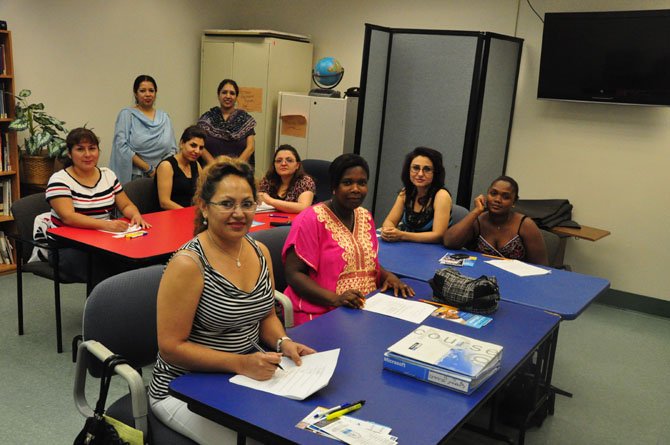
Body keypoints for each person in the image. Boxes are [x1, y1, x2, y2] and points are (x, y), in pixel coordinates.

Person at [149, 157, 315, 444]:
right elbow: (171, 347)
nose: (239, 213)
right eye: (226, 204)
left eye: (247, 204)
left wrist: (282, 342)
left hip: (240, 379)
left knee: (297, 430)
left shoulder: (260, 251)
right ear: (203, 206)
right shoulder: (188, 264)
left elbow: (266, 316)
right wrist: (241, 364)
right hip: (183, 389)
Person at [282, 153, 414, 326]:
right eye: (347, 183)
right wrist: (335, 299)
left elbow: (364, 261)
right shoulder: (310, 219)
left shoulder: (365, 216)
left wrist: (387, 276)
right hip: (322, 311)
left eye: (362, 183)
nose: (355, 189)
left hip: (363, 308)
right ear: (334, 187)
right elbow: (293, 274)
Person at [46, 127, 151, 282]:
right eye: (80, 149)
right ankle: (102, 305)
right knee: (105, 271)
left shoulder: (108, 175)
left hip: (102, 241)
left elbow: (126, 205)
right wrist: (105, 225)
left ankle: (123, 304)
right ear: (69, 153)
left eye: (92, 148)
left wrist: (135, 215)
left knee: (136, 262)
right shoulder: (59, 180)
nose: (87, 154)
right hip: (68, 247)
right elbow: (68, 217)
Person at [443, 175, 548, 266]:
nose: (497, 200)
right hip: (481, 278)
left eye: (505, 197)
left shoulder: (525, 225)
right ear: (486, 195)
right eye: (493, 193)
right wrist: (476, 212)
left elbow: (542, 266)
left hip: (516, 282)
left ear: (514, 202)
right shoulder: (478, 221)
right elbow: (449, 242)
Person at [109, 75, 178, 184]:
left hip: (160, 176)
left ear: (156, 93)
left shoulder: (164, 118)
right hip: (134, 177)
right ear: (135, 93)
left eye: (151, 90)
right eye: (142, 91)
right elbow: (121, 147)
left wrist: (160, 170)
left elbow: (172, 149)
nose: (147, 94)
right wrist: (149, 169)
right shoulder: (127, 115)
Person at [381, 147, 452, 243]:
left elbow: (438, 235)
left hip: (433, 252)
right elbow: (390, 221)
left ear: (436, 173)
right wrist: (388, 231)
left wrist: (402, 235)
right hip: (408, 248)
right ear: (408, 170)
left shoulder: (441, 196)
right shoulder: (406, 192)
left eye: (427, 169)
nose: (420, 174)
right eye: (415, 168)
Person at [197, 79, 256, 166]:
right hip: (211, 172)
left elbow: (250, 148)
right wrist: (214, 165)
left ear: (236, 97)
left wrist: (234, 167)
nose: (228, 96)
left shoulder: (245, 120)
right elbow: (199, 144)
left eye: (232, 93)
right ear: (218, 95)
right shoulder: (207, 119)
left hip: (238, 172)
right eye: (224, 92)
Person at [155, 125, 205, 209]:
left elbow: (201, 194)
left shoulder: (196, 165)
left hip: (189, 213)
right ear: (182, 144)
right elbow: (164, 202)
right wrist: (188, 213)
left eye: (201, 148)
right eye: (193, 145)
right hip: (167, 215)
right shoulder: (167, 166)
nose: (197, 151)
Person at [257, 144, 315, 213]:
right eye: (279, 161)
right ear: (274, 165)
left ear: (297, 165)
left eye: (289, 160)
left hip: (295, 221)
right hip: (271, 218)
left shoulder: (305, 181)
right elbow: (259, 196)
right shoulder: (269, 179)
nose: (283, 163)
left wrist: (270, 201)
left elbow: (303, 207)